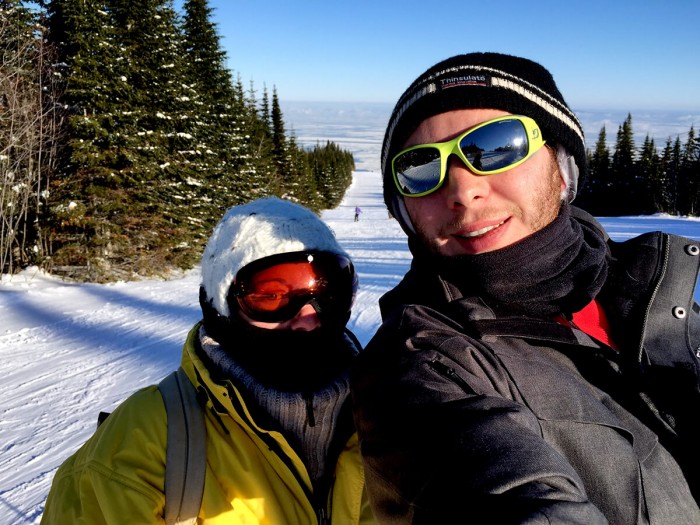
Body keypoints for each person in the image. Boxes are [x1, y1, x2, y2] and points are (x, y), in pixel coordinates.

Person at [350, 52, 700, 524]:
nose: (462, 190)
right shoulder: (420, 363)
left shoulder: (655, 283)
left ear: (561, 167)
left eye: (496, 146)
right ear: (404, 211)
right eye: (420, 169)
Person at [42, 197, 375, 524]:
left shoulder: (397, 418)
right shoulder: (142, 447)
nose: (307, 317)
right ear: (220, 310)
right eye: (272, 296)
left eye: (328, 293)